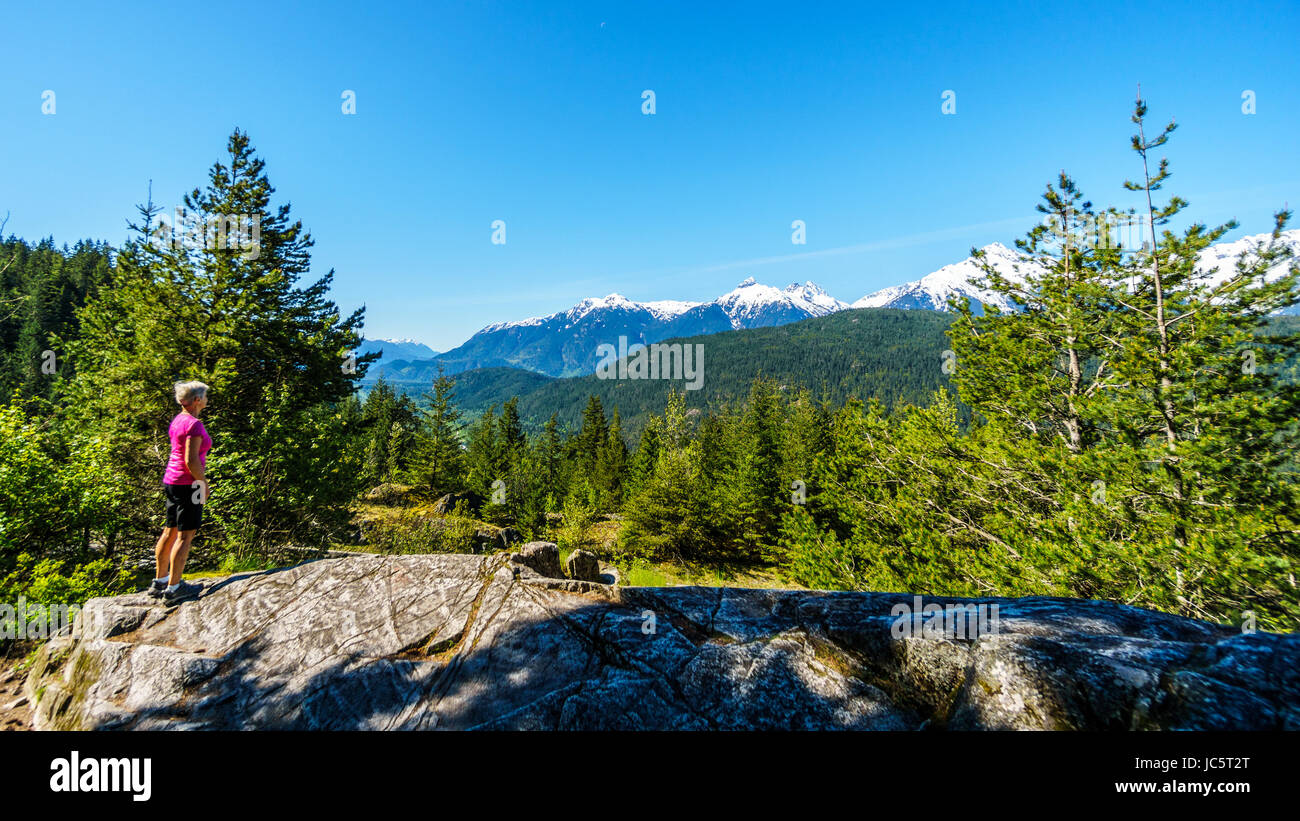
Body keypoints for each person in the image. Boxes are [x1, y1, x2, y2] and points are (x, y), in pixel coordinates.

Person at [146, 381, 212, 604]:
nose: (206, 400)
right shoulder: (194, 425)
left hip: (171, 481)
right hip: (189, 484)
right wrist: (202, 483)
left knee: (169, 531)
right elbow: (191, 460)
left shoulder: (178, 420)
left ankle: (160, 580)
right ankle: (174, 588)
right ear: (196, 400)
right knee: (185, 536)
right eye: (204, 396)